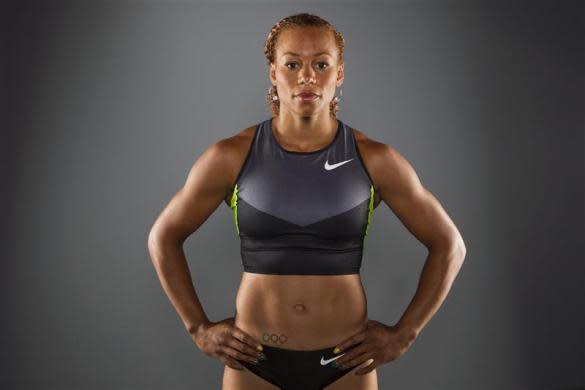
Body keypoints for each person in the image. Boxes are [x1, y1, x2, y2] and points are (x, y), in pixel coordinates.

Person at [147, 12, 466, 390]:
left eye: (321, 64)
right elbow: (163, 236)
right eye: (292, 64)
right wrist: (198, 327)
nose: (307, 76)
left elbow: (450, 244)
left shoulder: (375, 159)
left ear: (339, 74)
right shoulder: (230, 156)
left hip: (343, 366)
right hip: (255, 362)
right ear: (273, 73)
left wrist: (404, 334)